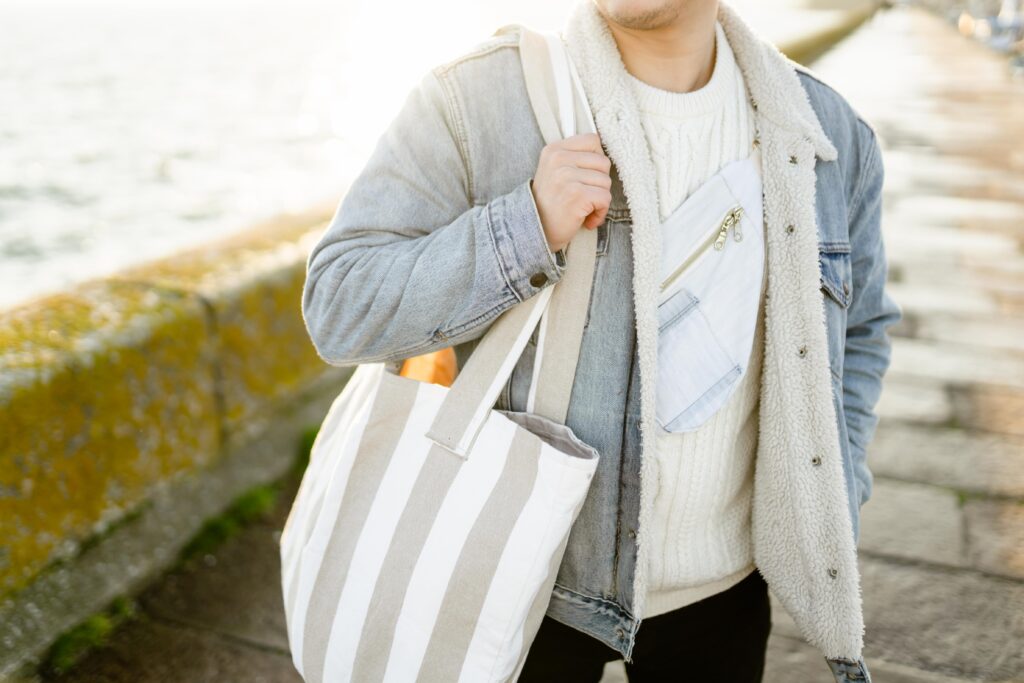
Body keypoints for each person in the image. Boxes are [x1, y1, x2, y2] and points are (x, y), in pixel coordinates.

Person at [299, 0, 902, 681]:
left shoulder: (826, 134)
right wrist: (525, 225)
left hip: (724, 589)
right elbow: (338, 303)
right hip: (521, 583)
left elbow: (860, 330)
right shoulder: (478, 99)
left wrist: (834, 484)